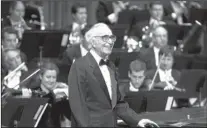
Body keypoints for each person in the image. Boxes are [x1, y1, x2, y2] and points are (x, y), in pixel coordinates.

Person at [68, 23, 159, 127]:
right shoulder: (80, 66)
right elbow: (78, 106)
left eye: (111, 37)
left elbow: (118, 104)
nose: (110, 41)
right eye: (105, 38)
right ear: (93, 42)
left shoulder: (111, 66)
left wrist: (137, 121)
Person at [31, 61, 71, 127]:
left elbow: (69, 116)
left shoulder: (59, 94)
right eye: (48, 77)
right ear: (41, 77)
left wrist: (68, 92)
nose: (51, 80)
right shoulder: (34, 93)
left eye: (54, 77)